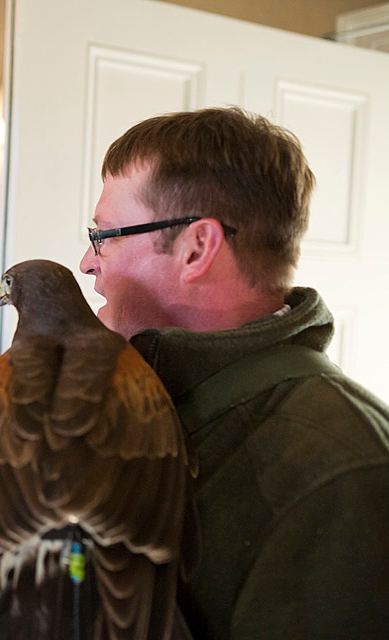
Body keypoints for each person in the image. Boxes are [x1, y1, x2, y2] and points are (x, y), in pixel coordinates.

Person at [78, 106, 389, 639]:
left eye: (106, 235)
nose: (86, 261)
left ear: (197, 247)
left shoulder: (345, 472)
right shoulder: (134, 402)